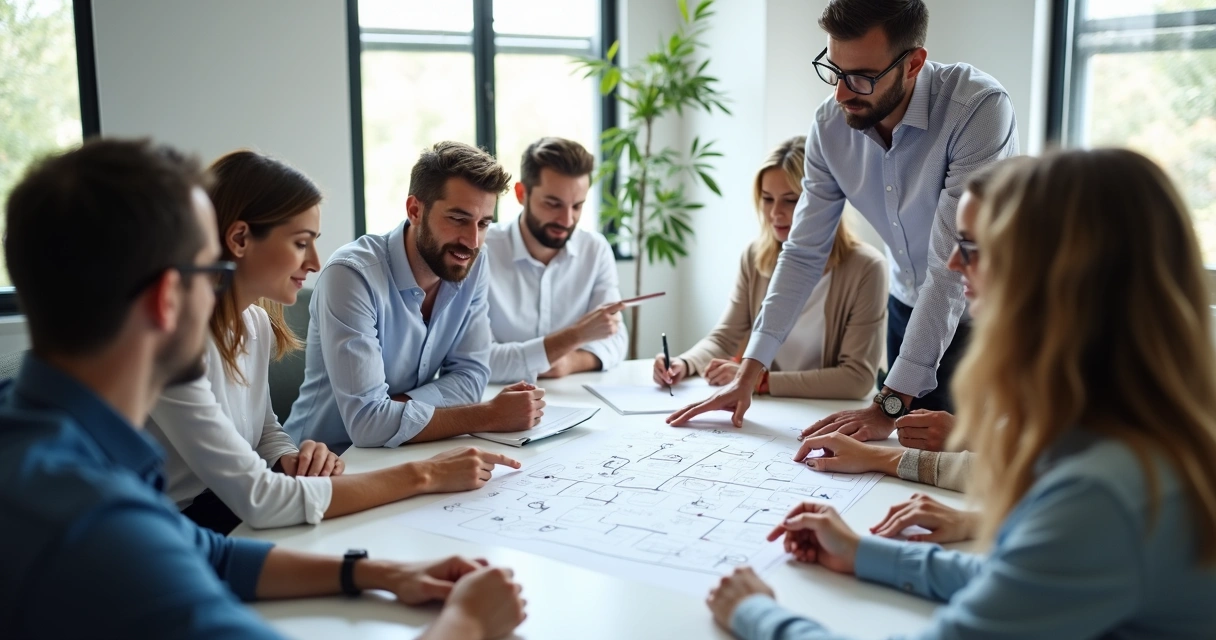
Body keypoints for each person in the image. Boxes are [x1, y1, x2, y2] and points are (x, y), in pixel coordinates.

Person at [0, 139, 526, 639]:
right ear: (168, 299)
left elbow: (212, 551)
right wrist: (469, 623)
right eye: (213, 267)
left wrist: (379, 573)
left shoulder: (55, 450)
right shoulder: (97, 521)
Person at [706, 148, 1216, 638]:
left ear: (1053, 279)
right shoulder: (1118, 432)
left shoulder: (1101, 493)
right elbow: (1015, 582)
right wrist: (864, 553)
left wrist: (757, 615)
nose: (951, 264)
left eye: (970, 247)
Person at [669, 0, 1018, 445]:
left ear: (913, 63)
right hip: (907, 305)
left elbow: (949, 270)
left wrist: (888, 403)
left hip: (983, 314)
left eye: (861, 77)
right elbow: (801, 253)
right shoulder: (830, 125)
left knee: (971, 471)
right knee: (903, 460)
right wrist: (748, 372)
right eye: (833, 70)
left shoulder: (977, 110)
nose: (840, 93)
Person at [146, 150, 522, 534]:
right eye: (300, 242)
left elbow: (264, 433)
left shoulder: (255, 322)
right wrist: (425, 474)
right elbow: (257, 499)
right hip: (178, 526)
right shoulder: (176, 344)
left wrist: (292, 458)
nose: (313, 262)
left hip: (235, 505)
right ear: (240, 238)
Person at [285, 142, 546, 451]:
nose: (472, 241)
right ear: (415, 210)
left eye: (484, 223)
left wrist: (394, 410)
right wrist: (488, 415)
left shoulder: (473, 262)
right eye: (458, 219)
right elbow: (367, 427)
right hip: (324, 461)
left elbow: (472, 376)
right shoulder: (352, 275)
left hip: (410, 449)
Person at [653, 136, 885, 399]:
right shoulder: (755, 257)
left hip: (830, 414)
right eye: (767, 199)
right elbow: (724, 338)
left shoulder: (867, 268)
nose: (775, 213)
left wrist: (758, 381)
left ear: (822, 202)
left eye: (790, 200)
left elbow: (857, 379)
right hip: (772, 409)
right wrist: (683, 363)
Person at [485, 137, 627, 383]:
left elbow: (615, 338)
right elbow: (478, 360)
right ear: (521, 193)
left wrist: (570, 362)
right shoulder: (482, 250)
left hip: (575, 397)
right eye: (553, 204)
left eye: (577, 206)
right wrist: (575, 337)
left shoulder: (595, 250)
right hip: (494, 400)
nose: (567, 220)